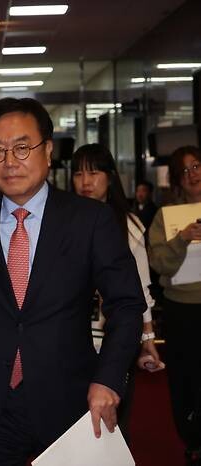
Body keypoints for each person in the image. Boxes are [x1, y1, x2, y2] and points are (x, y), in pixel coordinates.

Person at [0, 97, 144, 466]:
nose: (9, 161)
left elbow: (126, 304)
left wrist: (108, 378)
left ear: (47, 150)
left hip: (69, 397)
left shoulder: (90, 220)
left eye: (22, 147)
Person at [70, 143, 163, 442]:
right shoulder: (62, 220)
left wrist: (147, 339)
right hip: (70, 339)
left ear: (109, 177)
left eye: (94, 173)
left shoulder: (128, 224)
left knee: (110, 427)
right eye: (78, 173)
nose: (85, 181)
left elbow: (141, 288)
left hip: (114, 338)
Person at [148, 145, 201, 466]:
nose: (192, 174)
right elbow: (159, 264)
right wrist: (182, 238)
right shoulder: (166, 217)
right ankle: (193, 440)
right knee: (185, 379)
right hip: (181, 310)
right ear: (177, 180)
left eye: (196, 166)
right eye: (184, 170)